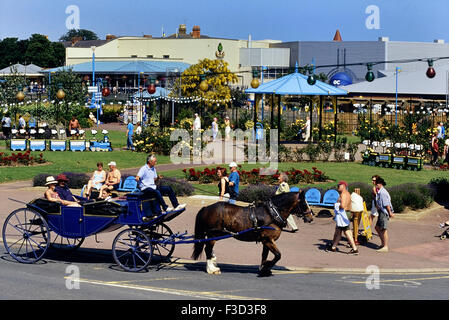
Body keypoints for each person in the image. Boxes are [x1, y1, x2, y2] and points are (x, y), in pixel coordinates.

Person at [135, 155, 186, 220]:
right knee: (157, 192)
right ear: (149, 161)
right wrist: (137, 178)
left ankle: (176, 205)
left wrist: (158, 178)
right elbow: (138, 177)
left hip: (153, 187)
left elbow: (153, 180)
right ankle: (165, 208)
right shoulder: (143, 168)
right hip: (145, 189)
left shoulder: (153, 169)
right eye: (154, 161)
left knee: (168, 189)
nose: (156, 163)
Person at [325, 181, 359, 255]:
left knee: (345, 231)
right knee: (339, 230)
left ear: (343, 186)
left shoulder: (343, 194)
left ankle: (354, 249)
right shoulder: (347, 194)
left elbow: (343, 206)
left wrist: (336, 205)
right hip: (345, 214)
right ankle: (333, 246)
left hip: (344, 214)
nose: (337, 187)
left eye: (339, 186)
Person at [374, 177, 394, 252]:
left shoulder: (382, 192)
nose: (376, 185)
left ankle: (385, 246)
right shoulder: (380, 192)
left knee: (383, 229)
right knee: (377, 227)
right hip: (381, 211)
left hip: (384, 212)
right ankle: (383, 243)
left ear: (380, 184)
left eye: (376, 184)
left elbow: (386, 204)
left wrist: (390, 213)